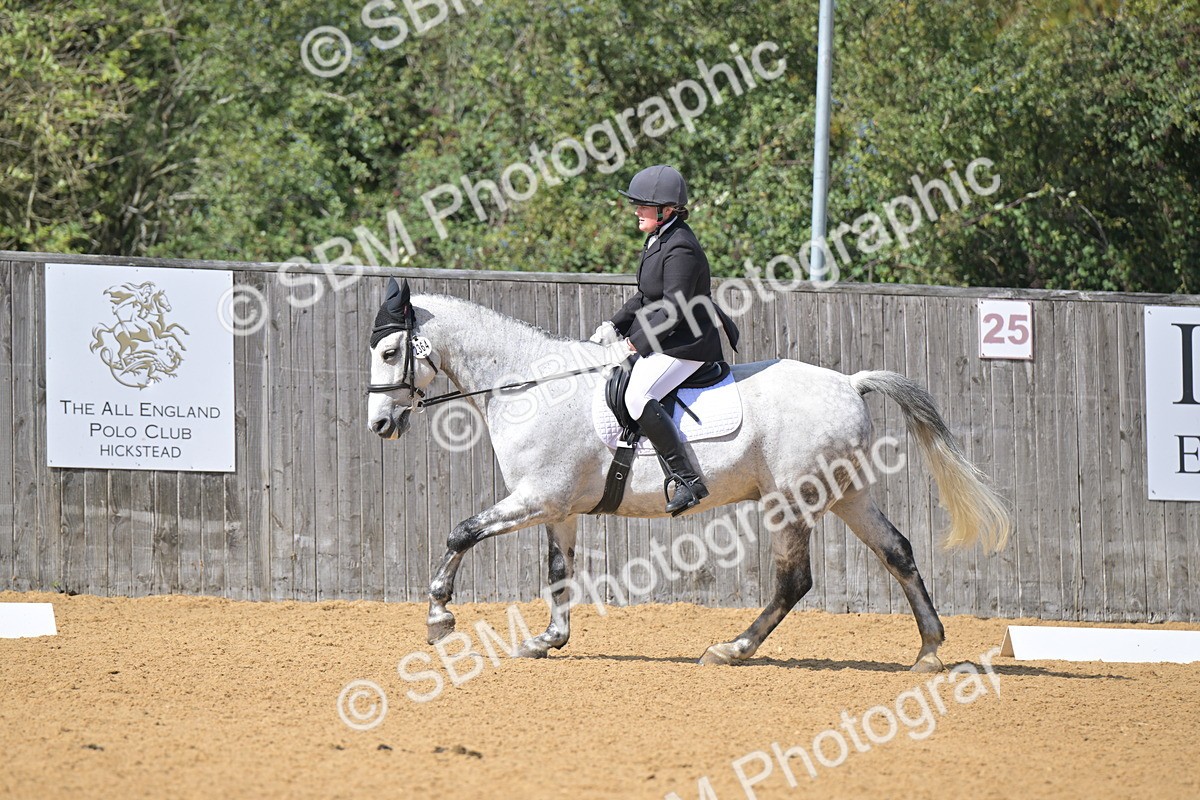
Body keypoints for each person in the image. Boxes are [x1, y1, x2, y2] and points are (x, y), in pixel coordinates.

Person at [590, 164, 739, 515]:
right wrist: (612, 325)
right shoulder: (659, 238)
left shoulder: (682, 246)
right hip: (667, 338)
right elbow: (645, 296)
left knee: (638, 395)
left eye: (643, 204)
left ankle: (688, 479)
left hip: (688, 343)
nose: (636, 210)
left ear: (667, 209)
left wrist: (631, 345)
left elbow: (673, 307)